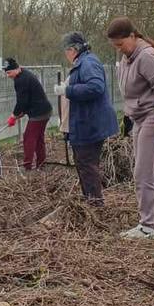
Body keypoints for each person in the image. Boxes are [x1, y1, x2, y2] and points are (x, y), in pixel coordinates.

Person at [107, 17, 154, 239]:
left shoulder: (146, 56)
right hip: (139, 118)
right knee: (150, 169)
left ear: (133, 36)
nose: (119, 50)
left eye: (121, 44)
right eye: (114, 46)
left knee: (143, 171)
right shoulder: (129, 58)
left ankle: (147, 225)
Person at [54, 31, 118, 205]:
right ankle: (90, 200)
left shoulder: (88, 63)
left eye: (66, 51)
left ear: (73, 49)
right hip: (85, 122)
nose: (65, 55)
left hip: (90, 124)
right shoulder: (85, 62)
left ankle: (94, 204)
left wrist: (67, 90)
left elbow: (95, 87)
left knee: (87, 164)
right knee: (84, 163)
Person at [3, 58, 52, 170]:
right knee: (39, 139)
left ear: (16, 69)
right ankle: (41, 164)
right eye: (6, 73)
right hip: (44, 110)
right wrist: (22, 113)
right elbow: (28, 99)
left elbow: (22, 102)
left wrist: (13, 116)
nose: (8, 75)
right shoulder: (24, 74)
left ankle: (27, 166)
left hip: (39, 113)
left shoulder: (21, 80)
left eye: (9, 72)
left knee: (28, 138)